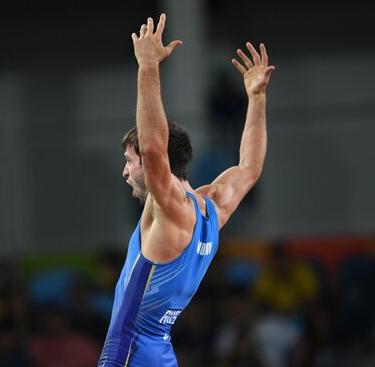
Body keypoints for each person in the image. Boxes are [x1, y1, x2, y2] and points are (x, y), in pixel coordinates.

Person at [98, 13, 275, 366]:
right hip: (161, 351)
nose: (125, 171)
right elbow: (249, 167)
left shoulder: (172, 208)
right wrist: (256, 99)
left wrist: (147, 67)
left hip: (130, 353)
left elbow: (151, 148)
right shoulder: (212, 208)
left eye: (128, 161)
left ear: (151, 166)